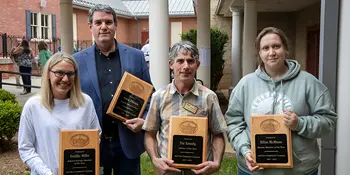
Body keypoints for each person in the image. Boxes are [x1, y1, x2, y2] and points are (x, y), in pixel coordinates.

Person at [225, 27, 338, 175]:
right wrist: (245, 150)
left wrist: (300, 123)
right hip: (253, 170)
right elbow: (234, 122)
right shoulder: (245, 84)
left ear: (285, 49)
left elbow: (328, 121)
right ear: (259, 53)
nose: (271, 53)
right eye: (265, 48)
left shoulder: (309, 83)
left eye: (276, 46)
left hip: (300, 171)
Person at [72, 4, 152, 175]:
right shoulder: (76, 61)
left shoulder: (136, 56)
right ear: (90, 26)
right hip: (92, 142)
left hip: (127, 141)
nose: (103, 27)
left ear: (116, 25)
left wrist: (144, 120)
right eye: (98, 22)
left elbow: (150, 96)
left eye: (108, 22)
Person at [143, 41, 227, 175]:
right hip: (167, 172)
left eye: (190, 61)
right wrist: (155, 159)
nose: (186, 66)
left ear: (197, 65)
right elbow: (150, 134)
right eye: (180, 61)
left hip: (199, 172)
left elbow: (218, 134)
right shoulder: (158, 97)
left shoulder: (209, 97)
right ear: (171, 64)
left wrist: (217, 162)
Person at [18, 52, 101, 175]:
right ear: (48, 74)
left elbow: (96, 136)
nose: (65, 79)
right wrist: (47, 173)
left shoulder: (86, 102)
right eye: (59, 73)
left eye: (70, 74)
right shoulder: (33, 106)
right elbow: (25, 148)